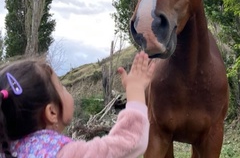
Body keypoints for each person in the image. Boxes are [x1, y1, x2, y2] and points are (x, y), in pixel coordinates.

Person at [0, 51, 156, 158]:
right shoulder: (66, 154)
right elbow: (131, 141)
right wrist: (135, 89)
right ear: (51, 113)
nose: (67, 91)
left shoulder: (7, 150)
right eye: (62, 87)